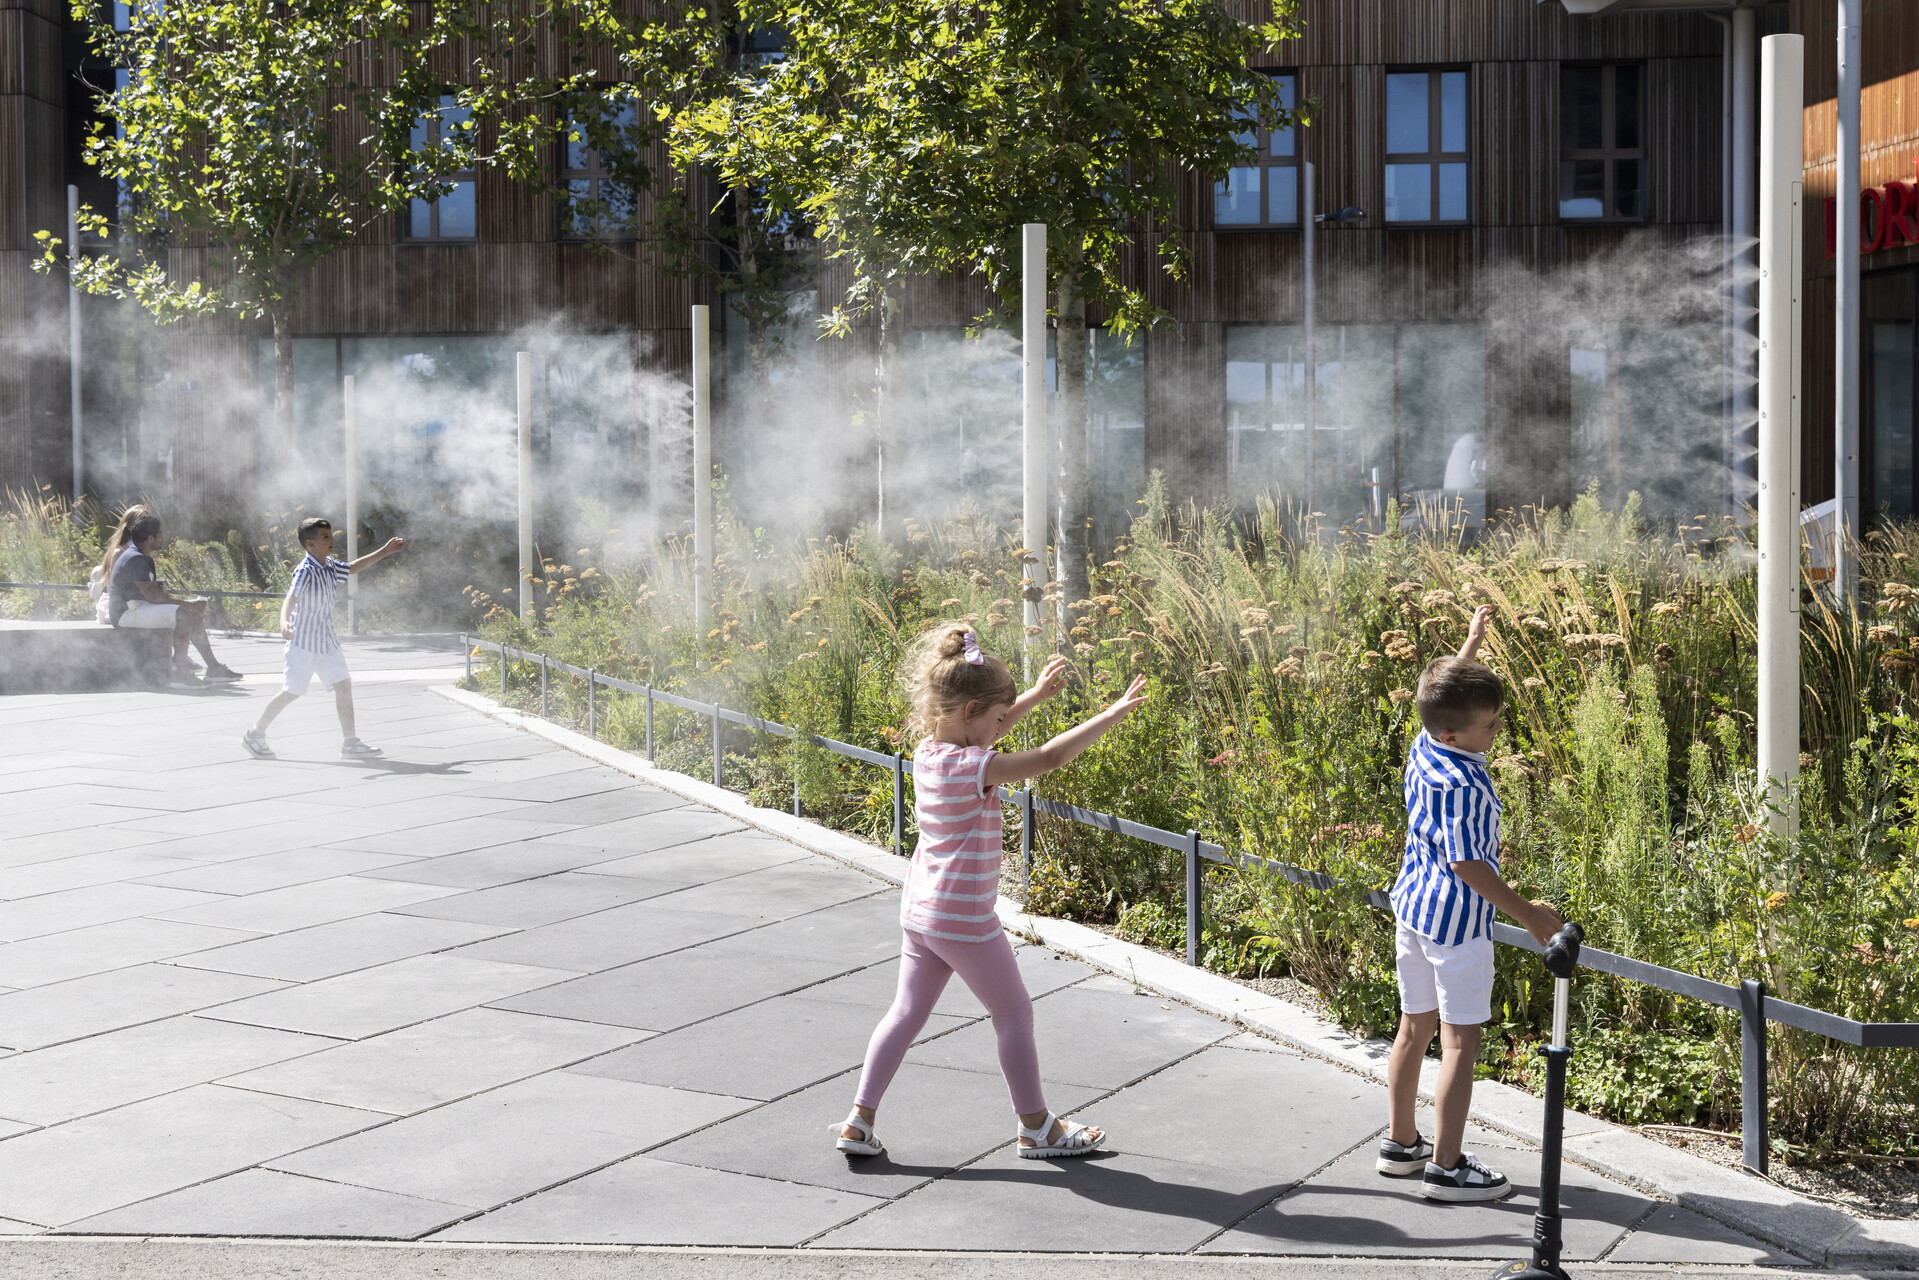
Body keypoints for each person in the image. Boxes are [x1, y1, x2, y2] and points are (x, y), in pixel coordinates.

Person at [835, 624, 1148, 1161]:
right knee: (1014, 1014)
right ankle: (1036, 1128)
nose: (1004, 727)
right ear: (971, 709)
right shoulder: (977, 767)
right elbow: (1046, 759)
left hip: (921, 910)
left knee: (905, 1013)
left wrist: (1030, 698)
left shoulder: (929, 754)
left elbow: (982, 731)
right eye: (999, 718)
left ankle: (858, 1121)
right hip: (963, 919)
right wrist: (1112, 715)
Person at [1377, 603, 1562, 1202]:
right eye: (1490, 726)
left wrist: (1468, 649)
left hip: (1413, 909)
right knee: (1460, 1041)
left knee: (1412, 1029)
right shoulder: (1466, 783)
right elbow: (1468, 865)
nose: (1497, 731)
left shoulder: (1429, 747)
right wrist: (1531, 915)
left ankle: (1402, 1145)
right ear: (1457, 734)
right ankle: (1448, 1168)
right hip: (1457, 925)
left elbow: (1443, 699)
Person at [242, 517, 404, 760]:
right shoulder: (305, 571)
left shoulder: (329, 564)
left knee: (344, 686)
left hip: (327, 643)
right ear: (310, 544)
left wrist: (386, 550)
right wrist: (283, 622)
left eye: (331, 535)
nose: (332, 540)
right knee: (291, 693)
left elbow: (354, 567)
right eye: (326, 537)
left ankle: (350, 743)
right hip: (302, 644)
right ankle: (255, 734)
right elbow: (290, 599)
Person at [107, 514, 242, 686]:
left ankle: (213, 668)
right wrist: (187, 604)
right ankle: (180, 672)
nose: (163, 537)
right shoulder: (135, 558)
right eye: (160, 534)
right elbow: (153, 596)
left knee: (191, 614)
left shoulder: (144, 557)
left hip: (139, 607)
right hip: (125, 613)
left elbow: (156, 593)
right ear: (150, 538)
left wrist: (189, 605)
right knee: (184, 614)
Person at [90, 504, 152, 626]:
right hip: (121, 604)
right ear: (129, 527)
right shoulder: (120, 552)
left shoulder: (145, 551)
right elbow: (113, 586)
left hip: (140, 600)